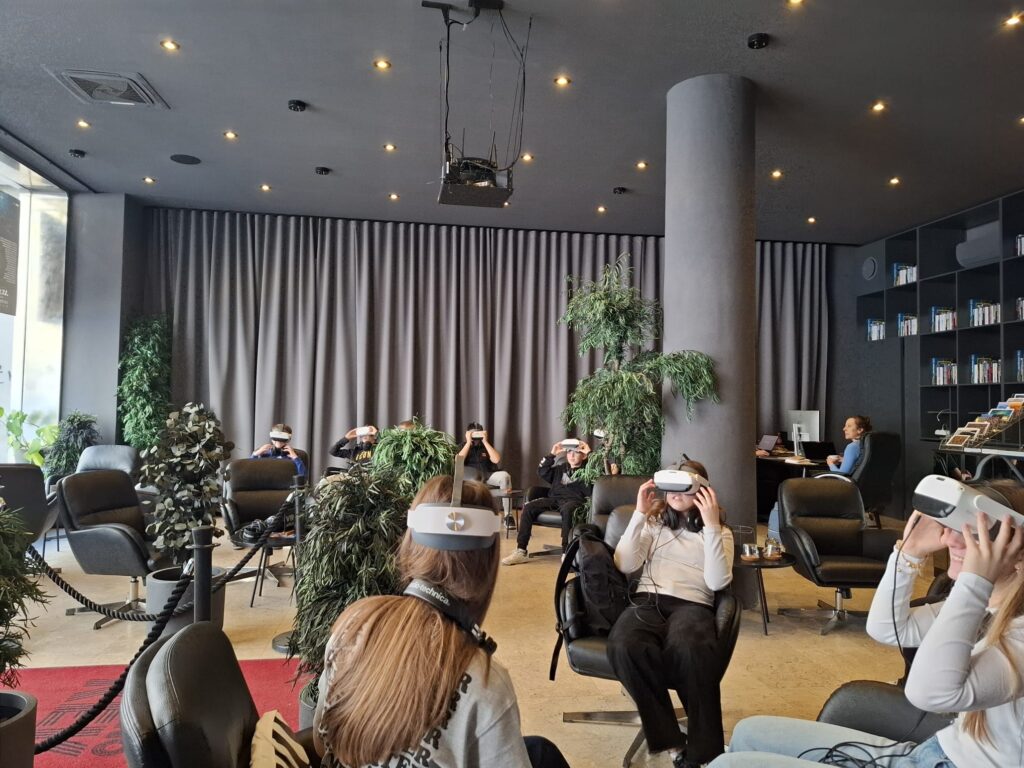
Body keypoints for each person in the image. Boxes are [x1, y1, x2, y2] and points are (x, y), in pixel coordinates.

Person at [709, 479, 1024, 768]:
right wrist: (909, 553)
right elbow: (886, 628)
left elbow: (929, 693)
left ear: (1016, 552)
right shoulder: (985, 607)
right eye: (954, 528)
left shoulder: (1014, 628)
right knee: (749, 732)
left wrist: (974, 581)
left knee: (729, 766)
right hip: (931, 753)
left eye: (976, 535)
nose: (952, 539)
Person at [312, 474, 571, 768]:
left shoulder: (354, 623)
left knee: (540, 751)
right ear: (487, 563)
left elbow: (322, 742)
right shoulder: (485, 682)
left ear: (410, 542)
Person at [606, 460, 734, 768]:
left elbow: (717, 582)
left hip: (693, 604)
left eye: (685, 486)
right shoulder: (654, 524)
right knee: (622, 645)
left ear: (702, 490)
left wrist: (711, 526)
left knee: (691, 649)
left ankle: (704, 754)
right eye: (672, 486)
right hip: (648, 600)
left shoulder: (721, 532)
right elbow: (624, 564)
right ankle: (672, 742)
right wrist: (639, 514)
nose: (676, 493)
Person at [501, 439, 592, 565]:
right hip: (554, 500)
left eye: (576, 452)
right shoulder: (560, 468)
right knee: (528, 507)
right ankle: (521, 551)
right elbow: (542, 471)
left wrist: (589, 453)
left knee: (568, 509)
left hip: (575, 501)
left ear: (583, 455)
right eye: (569, 452)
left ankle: (566, 552)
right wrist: (552, 454)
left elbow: (602, 471)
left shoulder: (590, 470)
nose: (571, 455)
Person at [459, 422, 513, 516]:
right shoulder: (463, 446)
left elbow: (496, 460)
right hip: (472, 478)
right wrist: (468, 442)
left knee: (505, 476)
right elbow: (459, 460)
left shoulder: (486, 446)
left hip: (488, 475)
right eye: (473, 433)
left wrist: (485, 441)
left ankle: (508, 515)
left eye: (478, 433)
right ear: (467, 433)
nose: (476, 436)